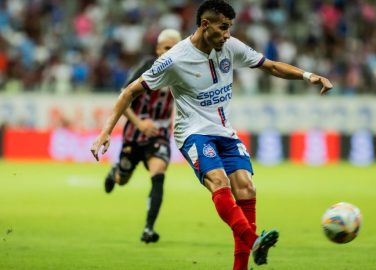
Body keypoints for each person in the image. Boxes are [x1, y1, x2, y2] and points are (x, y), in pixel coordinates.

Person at [91, 0, 333, 268]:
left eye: (230, 28)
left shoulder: (230, 47)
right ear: (205, 25)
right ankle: (254, 241)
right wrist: (105, 132)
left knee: (246, 186)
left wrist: (308, 76)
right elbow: (129, 91)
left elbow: (271, 66)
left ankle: (242, 264)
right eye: (223, 27)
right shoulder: (175, 59)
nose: (228, 34)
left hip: (225, 132)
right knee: (219, 182)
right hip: (193, 134)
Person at [103, 29, 182, 244]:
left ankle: (149, 228)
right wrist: (140, 123)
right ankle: (115, 173)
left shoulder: (183, 69)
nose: (171, 52)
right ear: (158, 49)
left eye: (176, 48)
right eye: (167, 48)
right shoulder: (147, 68)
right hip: (134, 134)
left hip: (160, 135)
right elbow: (123, 98)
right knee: (122, 179)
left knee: (159, 173)